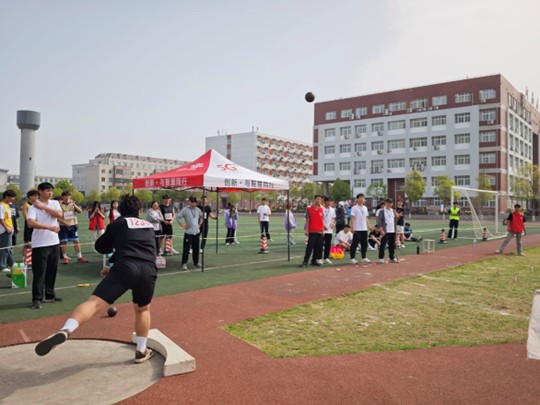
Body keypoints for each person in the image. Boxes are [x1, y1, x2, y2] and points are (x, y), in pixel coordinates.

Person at [35, 195, 157, 364]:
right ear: (139, 210)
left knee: (93, 304)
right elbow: (144, 251)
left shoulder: (119, 223)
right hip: (149, 269)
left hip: (125, 267)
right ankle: (141, 351)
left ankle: (66, 329)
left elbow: (101, 247)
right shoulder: (149, 226)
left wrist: (115, 261)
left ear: (120, 210)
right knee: (142, 310)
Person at [26, 182, 63, 309]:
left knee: (52, 270)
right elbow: (30, 223)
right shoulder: (33, 207)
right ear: (40, 191)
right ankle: (36, 298)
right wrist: (49, 227)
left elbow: (59, 215)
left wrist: (43, 207)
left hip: (54, 242)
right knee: (39, 272)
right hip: (40, 244)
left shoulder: (55, 203)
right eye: (47, 190)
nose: (50, 193)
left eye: (51, 190)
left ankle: (50, 294)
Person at [59, 191, 89, 264]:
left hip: (73, 225)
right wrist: (65, 223)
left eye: (68, 196)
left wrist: (74, 204)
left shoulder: (73, 204)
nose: (67, 197)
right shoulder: (59, 204)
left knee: (76, 241)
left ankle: (79, 257)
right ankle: (65, 257)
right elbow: (57, 216)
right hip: (63, 226)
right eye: (65, 196)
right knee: (64, 242)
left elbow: (80, 211)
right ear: (62, 197)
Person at [177, 196, 203, 271]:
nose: (194, 203)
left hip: (196, 232)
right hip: (188, 232)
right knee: (186, 249)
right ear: (189, 202)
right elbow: (178, 217)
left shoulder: (198, 209)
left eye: (195, 202)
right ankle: (184, 263)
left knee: (196, 248)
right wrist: (182, 225)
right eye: (192, 202)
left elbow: (202, 216)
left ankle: (196, 262)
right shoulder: (185, 210)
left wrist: (200, 224)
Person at [299, 195, 324, 268]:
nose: (319, 200)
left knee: (318, 247)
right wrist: (307, 230)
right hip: (312, 231)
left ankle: (314, 260)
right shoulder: (309, 209)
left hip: (320, 231)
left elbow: (322, 220)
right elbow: (307, 220)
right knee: (310, 247)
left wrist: (323, 230)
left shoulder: (321, 209)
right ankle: (305, 261)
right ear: (314, 200)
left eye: (320, 199)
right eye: (317, 199)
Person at [350, 193, 373, 264]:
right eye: (360, 197)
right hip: (357, 228)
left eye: (363, 198)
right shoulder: (354, 208)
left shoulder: (365, 208)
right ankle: (352, 258)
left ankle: (364, 257)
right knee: (355, 243)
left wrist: (369, 226)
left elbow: (366, 218)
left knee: (364, 244)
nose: (362, 199)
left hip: (364, 228)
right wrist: (352, 227)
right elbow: (352, 218)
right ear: (357, 199)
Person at [0, 190, 17, 273]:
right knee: (5, 249)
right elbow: (1, 219)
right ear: (7, 197)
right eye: (12, 197)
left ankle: (11, 263)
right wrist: (6, 227)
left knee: (8, 248)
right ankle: (2, 266)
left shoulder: (7, 205)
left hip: (9, 229)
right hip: (4, 230)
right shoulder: (1, 206)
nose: (13, 199)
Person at [377, 198, 398, 264]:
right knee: (383, 244)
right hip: (385, 230)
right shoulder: (382, 211)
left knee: (392, 245)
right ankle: (381, 258)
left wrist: (397, 215)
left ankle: (391, 257)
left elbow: (396, 219)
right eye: (388, 203)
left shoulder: (393, 211)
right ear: (385, 203)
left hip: (392, 230)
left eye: (390, 203)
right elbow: (379, 221)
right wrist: (381, 229)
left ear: (392, 204)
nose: (389, 204)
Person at [21, 189, 39, 262]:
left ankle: (34, 258)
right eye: (35, 196)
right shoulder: (26, 205)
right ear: (30, 197)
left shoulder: (38, 204)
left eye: (37, 196)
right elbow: (26, 217)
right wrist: (29, 223)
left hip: (37, 226)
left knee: (37, 243)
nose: (36, 197)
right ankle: (24, 258)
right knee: (27, 243)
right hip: (29, 226)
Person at [322, 196, 336, 264]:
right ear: (324, 202)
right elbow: (320, 218)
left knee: (328, 244)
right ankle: (319, 258)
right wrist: (323, 225)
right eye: (328, 201)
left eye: (330, 201)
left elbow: (333, 218)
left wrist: (333, 223)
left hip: (329, 230)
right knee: (320, 244)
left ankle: (326, 258)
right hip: (322, 230)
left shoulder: (332, 210)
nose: (329, 202)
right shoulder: (321, 209)